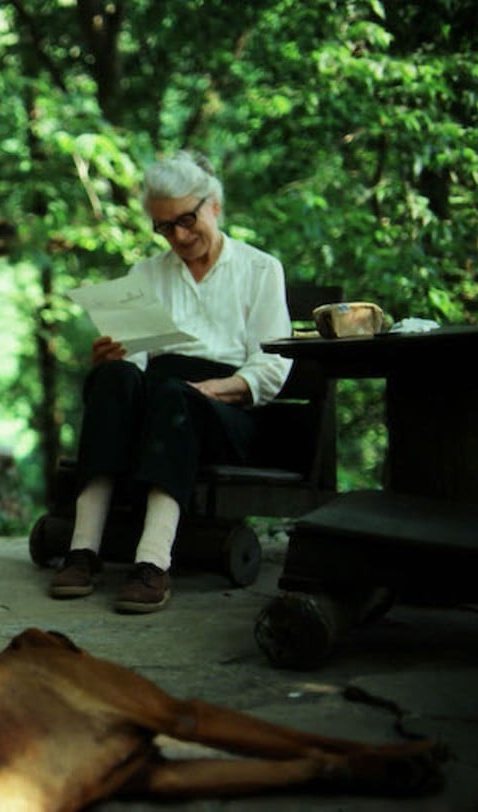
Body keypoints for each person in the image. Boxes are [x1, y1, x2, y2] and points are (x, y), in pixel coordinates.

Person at [48, 150, 292, 613]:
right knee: (116, 377)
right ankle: (82, 552)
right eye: (165, 227)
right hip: (162, 401)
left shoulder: (261, 270)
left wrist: (208, 392)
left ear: (214, 206)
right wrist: (112, 357)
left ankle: (152, 563)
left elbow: (271, 368)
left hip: (226, 411)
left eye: (186, 220)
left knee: (171, 398)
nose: (178, 236)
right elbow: (136, 366)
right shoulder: (146, 274)